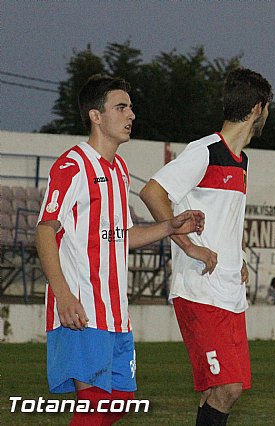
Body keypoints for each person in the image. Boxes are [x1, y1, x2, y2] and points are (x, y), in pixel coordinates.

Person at [35, 75, 205, 426]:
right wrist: (64, 295)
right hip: (82, 309)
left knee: (121, 401)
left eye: (130, 107)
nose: (131, 114)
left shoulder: (119, 170)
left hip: (115, 313)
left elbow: (122, 235)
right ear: (96, 116)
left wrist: (170, 226)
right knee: (97, 405)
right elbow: (44, 230)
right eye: (121, 107)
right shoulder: (72, 166)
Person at [139, 67, 272, 426]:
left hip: (228, 289)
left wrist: (239, 257)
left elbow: (226, 218)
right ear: (259, 108)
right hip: (200, 289)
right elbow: (153, 192)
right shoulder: (205, 150)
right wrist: (189, 247)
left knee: (220, 390)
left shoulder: (241, 161)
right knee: (227, 388)